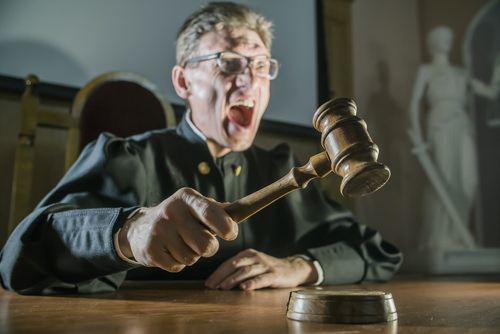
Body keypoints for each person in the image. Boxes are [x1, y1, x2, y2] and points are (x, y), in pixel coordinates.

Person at [0, 2, 402, 295]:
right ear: (183, 82)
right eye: (228, 63)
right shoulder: (126, 158)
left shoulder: (279, 166)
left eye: (261, 66)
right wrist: (129, 232)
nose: (249, 82)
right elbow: (20, 258)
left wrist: (301, 267)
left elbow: (378, 252)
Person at [409, 26, 499, 250]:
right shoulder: (426, 70)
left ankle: (458, 233)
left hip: (461, 124)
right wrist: (418, 137)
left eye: (449, 36)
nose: (446, 40)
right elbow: (413, 104)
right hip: (440, 125)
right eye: (441, 36)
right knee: (444, 178)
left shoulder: (461, 72)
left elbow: (488, 92)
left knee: (468, 181)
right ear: (432, 42)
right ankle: (440, 235)